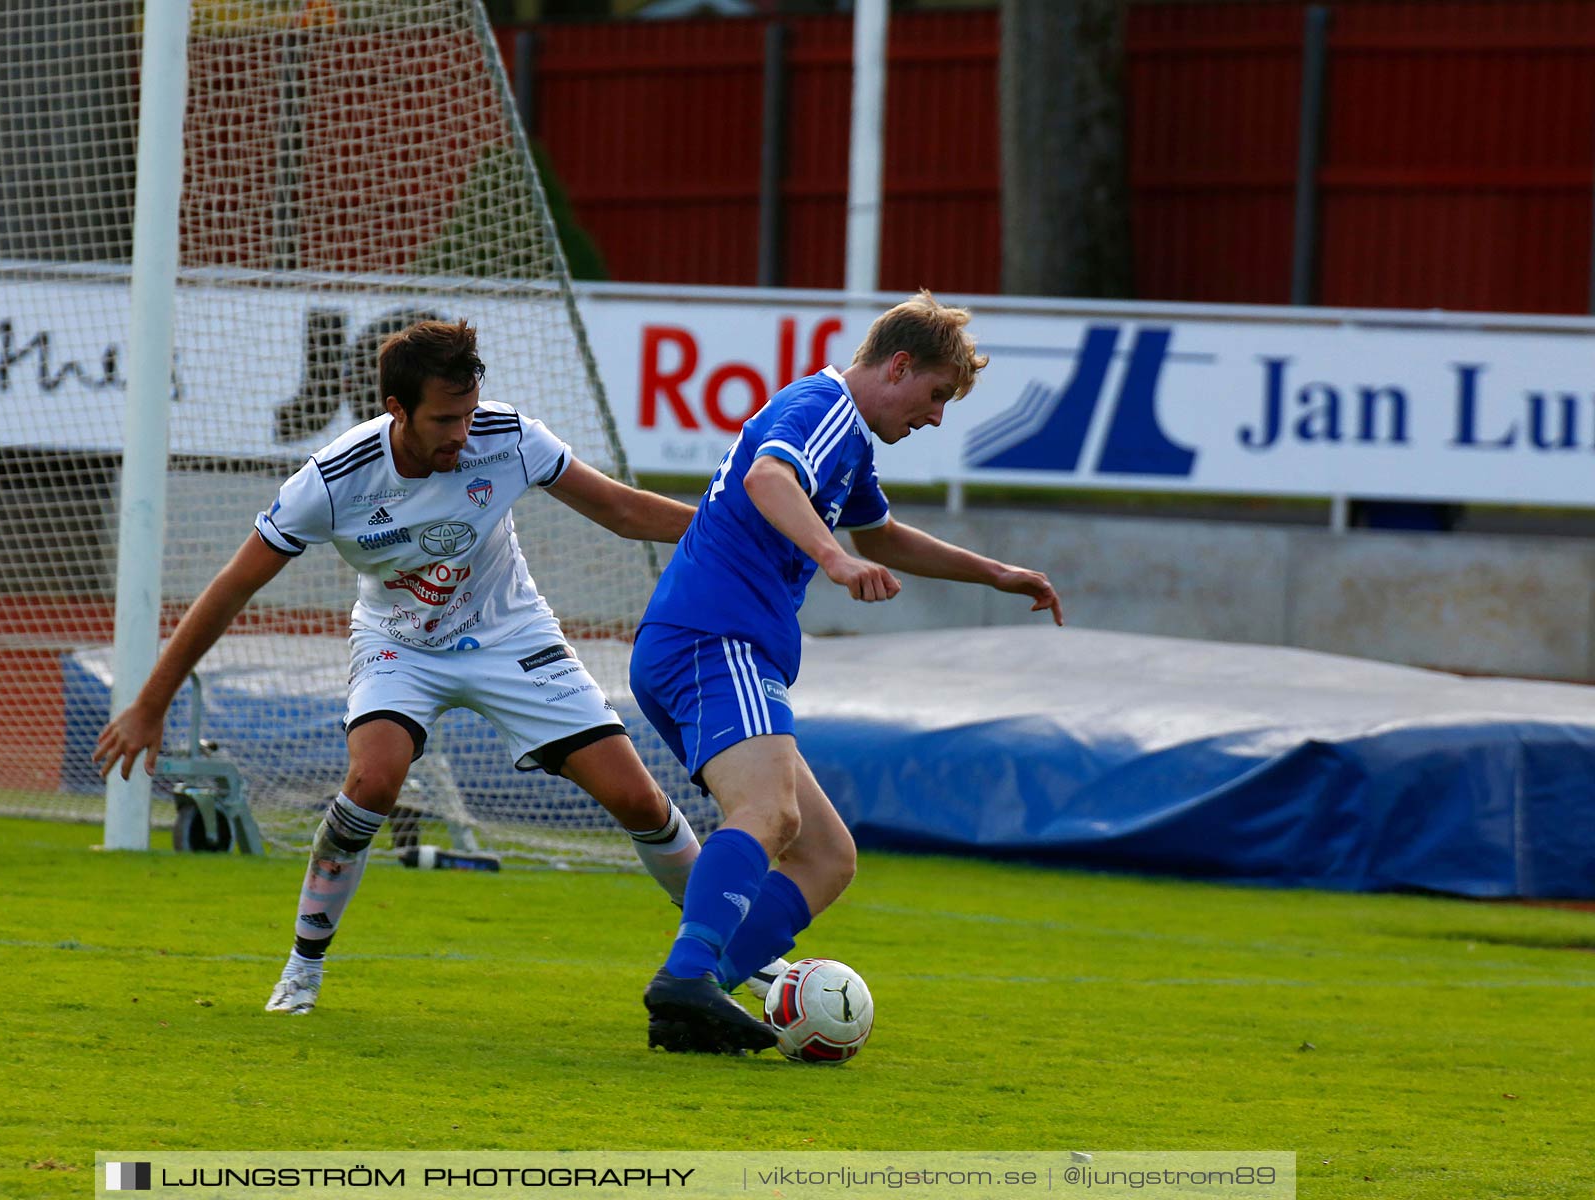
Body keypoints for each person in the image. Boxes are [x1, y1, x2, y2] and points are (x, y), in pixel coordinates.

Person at [95, 318, 712, 1017]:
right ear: (396, 410)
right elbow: (232, 587)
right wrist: (151, 704)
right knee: (373, 781)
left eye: (470, 412)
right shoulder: (333, 479)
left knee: (635, 799)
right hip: (399, 646)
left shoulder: (507, 436)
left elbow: (625, 511)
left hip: (512, 634)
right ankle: (302, 970)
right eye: (446, 419)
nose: (463, 432)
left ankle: (729, 953)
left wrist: (741, 531)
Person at [629, 291, 1064, 1054]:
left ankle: (697, 1002)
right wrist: (833, 558)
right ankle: (686, 975)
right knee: (769, 815)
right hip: (713, 635)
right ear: (898, 365)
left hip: (723, 644)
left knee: (826, 856)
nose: (934, 418)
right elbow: (769, 480)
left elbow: (884, 534)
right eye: (934, 396)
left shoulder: (850, 445)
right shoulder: (822, 403)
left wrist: (995, 573)